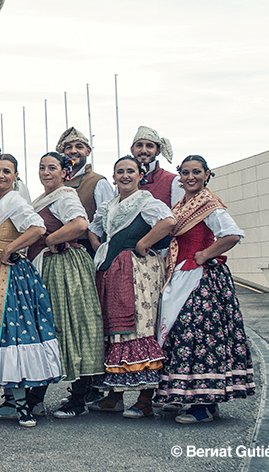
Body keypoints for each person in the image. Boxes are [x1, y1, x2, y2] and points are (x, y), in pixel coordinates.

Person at [0, 154, 60, 428]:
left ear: (16, 176)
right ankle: (10, 401)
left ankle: (20, 404)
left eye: (7, 171)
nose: (1, 175)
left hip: (4, 275)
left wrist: (8, 249)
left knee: (9, 334)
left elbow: (37, 227)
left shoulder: (15, 201)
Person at [156, 155, 254, 423]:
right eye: (185, 172)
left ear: (207, 174)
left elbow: (232, 235)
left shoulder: (209, 205)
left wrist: (205, 254)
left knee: (199, 337)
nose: (190, 177)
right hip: (180, 273)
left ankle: (204, 405)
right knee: (180, 335)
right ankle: (186, 396)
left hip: (201, 279)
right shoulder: (181, 206)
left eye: (196, 172)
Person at [86, 156, 175, 419]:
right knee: (116, 328)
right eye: (120, 172)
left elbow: (168, 222)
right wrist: (100, 248)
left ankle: (145, 398)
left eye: (130, 171)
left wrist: (144, 243)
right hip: (113, 269)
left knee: (139, 325)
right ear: (113, 177)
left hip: (139, 270)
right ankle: (115, 396)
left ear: (140, 176)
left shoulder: (147, 202)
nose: (125, 176)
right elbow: (93, 227)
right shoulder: (111, 205)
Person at [26, 152, 104, 419]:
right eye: (42, 167)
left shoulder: (66, 195)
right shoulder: (43, 199)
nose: (46, 172)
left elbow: (81, 224)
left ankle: (78, 398)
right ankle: (36, 398)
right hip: (47, 265)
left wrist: (51, 240)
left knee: (70, 325)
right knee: (47, 328)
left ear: (64, 172)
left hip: (64, 266)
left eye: (52, 168)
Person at [55, 128, 114, 222]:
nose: (73, 151)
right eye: (69, 147)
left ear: (88, 151)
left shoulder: (98, 182)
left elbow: (110, 218)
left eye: (79, 147)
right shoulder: (58, 183)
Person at [131, 126, 182, 207]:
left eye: (149, 146)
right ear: (132, 150)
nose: (144, 150)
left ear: (158, 151)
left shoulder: (173, 181)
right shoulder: (124, 180)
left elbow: (178, 215)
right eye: (139, 145)